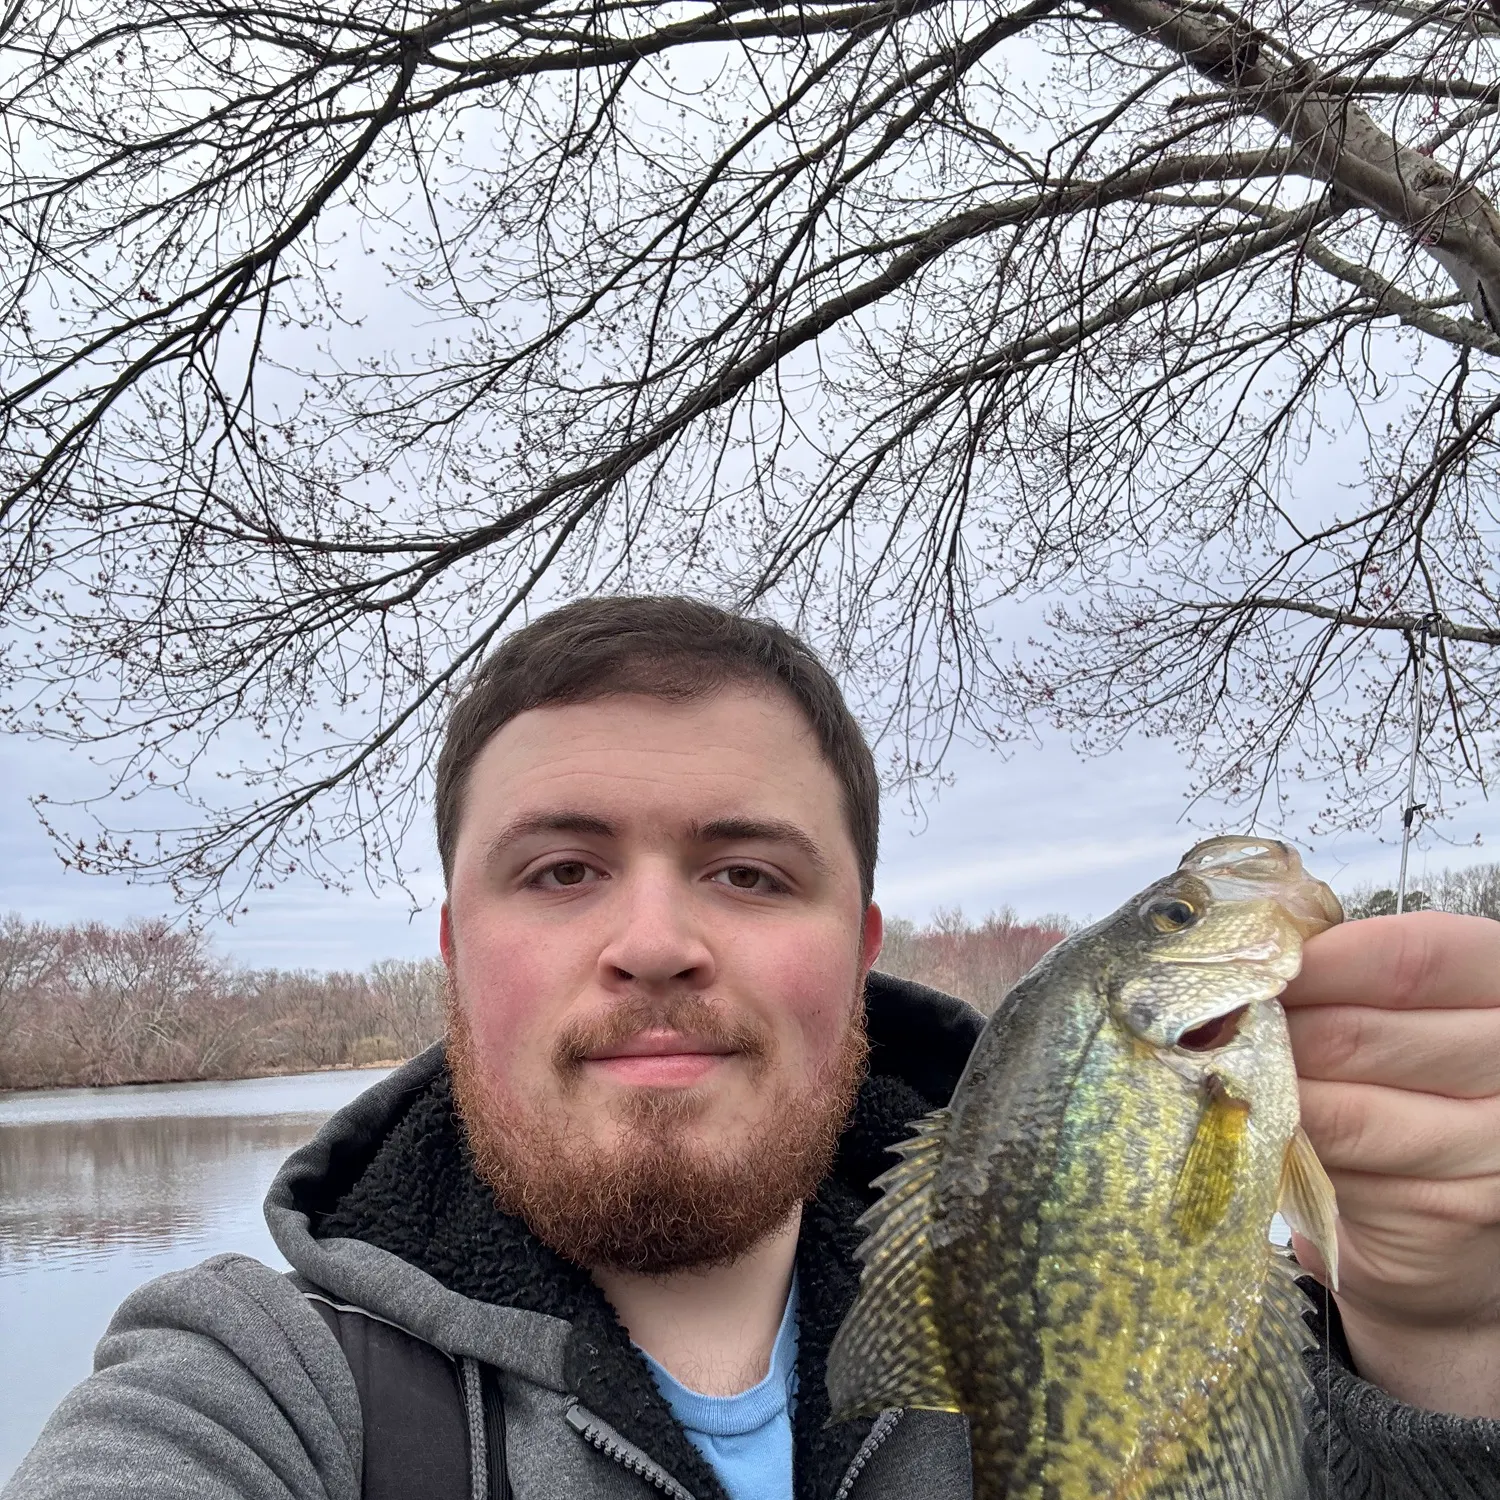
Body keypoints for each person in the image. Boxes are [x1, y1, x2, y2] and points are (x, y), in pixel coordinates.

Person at [5, 594, 1499, 1500]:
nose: (656, 941)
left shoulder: (1242, 1313)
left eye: (748, 871)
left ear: (858, 956)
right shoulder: (247, 1393)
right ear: (458, 963)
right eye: (561, 870)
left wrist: (1446, 1338)